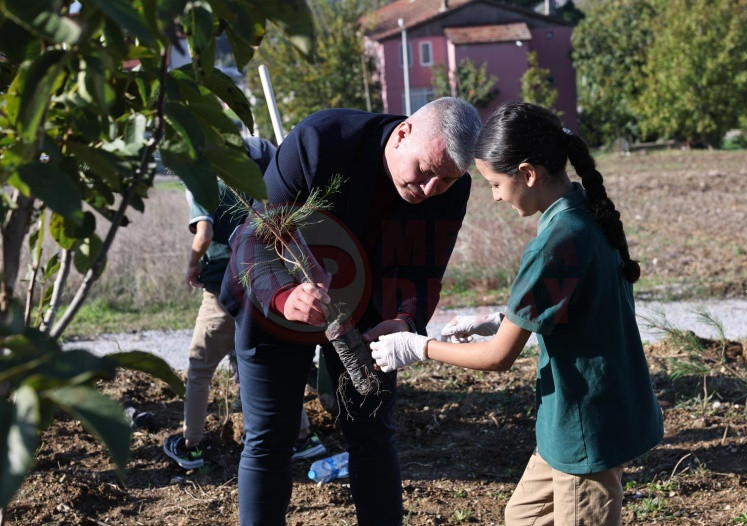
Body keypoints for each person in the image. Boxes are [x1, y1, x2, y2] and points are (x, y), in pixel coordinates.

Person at [370, 102, 664, 525]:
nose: (494, 196)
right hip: (580, 416)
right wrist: (500, 318)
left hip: (587, 426)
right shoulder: (581, 211)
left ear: (528, 173)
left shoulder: (558, 241)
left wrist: (418, 347)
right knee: (524, 517)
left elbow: (499, 358)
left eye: (494, 183)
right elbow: (570, 301)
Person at [219, 97, 482, 525]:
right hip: (279, 298)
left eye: (447, 180)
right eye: (426, 171)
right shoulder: (322, 141)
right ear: (402, 134)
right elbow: (253, 239)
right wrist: (287, 297)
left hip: (369, 312)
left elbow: (424, 270)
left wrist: (405, 320)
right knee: (270, 438)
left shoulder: (452, 189)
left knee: (373, 435)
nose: (431, 189)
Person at [163, 136, 326, 470]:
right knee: (272, 363)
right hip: (265, 285)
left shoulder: (203, 179)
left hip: (224, 287)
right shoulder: (260, 174)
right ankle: (304, 437)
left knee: (200, 368)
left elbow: (204, 234)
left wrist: (192, 265)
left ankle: (191, 445)